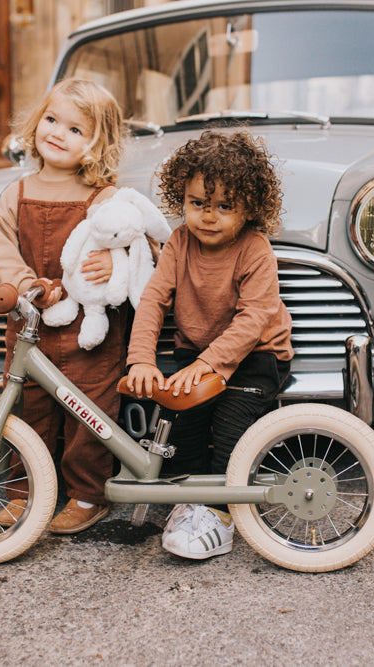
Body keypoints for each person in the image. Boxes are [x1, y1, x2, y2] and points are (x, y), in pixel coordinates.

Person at [126, 130, 293, 559]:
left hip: (257, 355)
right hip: (195, 351)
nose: (208, 217)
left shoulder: (255, 249)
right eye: (198, 203)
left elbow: (254, 319)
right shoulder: (179, 242)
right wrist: (141, 360)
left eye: (224, 206)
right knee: (183, 425)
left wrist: (211, 363)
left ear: (250, 208)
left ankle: (220, 513)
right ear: (181, 197)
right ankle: (189, 500)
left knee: (231, 429)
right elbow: (152, 301)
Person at [0, 78, 129, 534]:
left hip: (91, 329)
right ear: (36, 123)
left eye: (75, 129)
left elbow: (132, 237)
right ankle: (22, 491)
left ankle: (88, 494)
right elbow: (4, 249)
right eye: (51, 120)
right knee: (26, 408)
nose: (57, 133)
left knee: (90, 411)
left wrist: (113, 261)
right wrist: (26, 285)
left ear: (96, 143)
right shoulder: (17, 192)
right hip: (30, 323)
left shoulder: (104, 196)